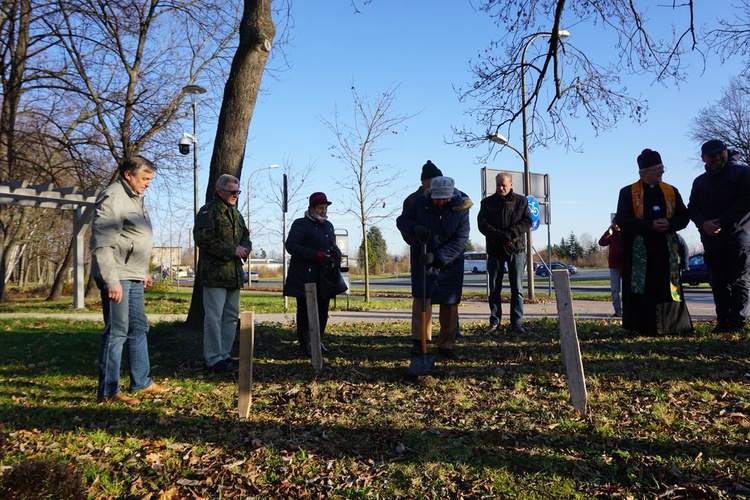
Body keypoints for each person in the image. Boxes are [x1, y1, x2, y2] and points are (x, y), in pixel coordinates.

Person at [91, 156, 168, 405]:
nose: (148, 184)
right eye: (145, 179)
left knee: (139, 328)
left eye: (150, 180)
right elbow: (102, 243)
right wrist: (111, 280)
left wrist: (143, 271)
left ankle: (141, 382)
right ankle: (109, 391)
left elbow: (134, 239)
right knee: (117, 331)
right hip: (118, 275)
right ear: (128, 175)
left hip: (133, 275)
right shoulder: (113, 196)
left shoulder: (136, 198)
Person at [615, 148, 693, 335]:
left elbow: (684, 217)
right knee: (641, 289)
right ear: (644, 172)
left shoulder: (671, 191)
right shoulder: (627, 192)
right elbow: (622, 220)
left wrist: (669, 223)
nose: (662, 171)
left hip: (666, 251)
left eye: (662, 167)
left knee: (666, 287)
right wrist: (649, 226)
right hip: (639, 252)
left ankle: (672, 326)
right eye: (658, 168)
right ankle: (641, 326)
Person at [396, 176, 472, 360]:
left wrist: (437, 257)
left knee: (449, 303)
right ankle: (419, 340)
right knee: (421, 299)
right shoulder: (420, 202)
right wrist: (415, 227)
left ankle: (446, 345)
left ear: (451, 195)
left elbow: (460, 240)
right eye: (436, 198)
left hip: (449, 263)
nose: (439, 202)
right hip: (422, 258)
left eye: (443, 198)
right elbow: (402, 220)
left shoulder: (461, 207)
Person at [688, 139, 750, 333]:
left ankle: (737, 324)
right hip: (711, 239)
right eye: (710, 155)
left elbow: (745, 202)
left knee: (739, 280)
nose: (715, 158)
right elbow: (693, 207)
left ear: (726, 152)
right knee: (718, 281)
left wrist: (720, 222)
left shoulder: (742, 173)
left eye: (719, 153)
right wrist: (703, 224)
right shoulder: (699, 181)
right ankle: (722, 321)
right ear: (703, 158)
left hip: (738, 235)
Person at [194, 174, 252, 373]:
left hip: (233, 275)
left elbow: (246, 236)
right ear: (220, 191)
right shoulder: (208, 211)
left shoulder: (236, 214)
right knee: (213, 317)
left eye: (238, 191)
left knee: (230, 316)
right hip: (215, 275)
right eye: (232, 192)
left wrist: (244, 248)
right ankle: (212, 358)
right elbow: (203, 239)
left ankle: (225, 355)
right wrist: (231, 250)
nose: (236, 195)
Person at [284, 192, 346, 357]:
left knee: (323, 310)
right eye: (320, 208)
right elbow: (291, 246)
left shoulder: (329, 226)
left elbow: (333, 246)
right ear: (311, 208)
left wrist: (336, 255)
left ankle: (318, 340)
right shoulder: (301, 224)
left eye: (325, 208)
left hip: (325, 277)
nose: (323, 211)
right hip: (305, 277)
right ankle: (304, 344)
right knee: (304, 311)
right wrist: (314, 255)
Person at [477, 172, 532, 334]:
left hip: (516, 250)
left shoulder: (521, 201)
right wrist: (498, 236)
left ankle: (516, 323)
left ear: (511, 184)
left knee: (517, 289)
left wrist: (509, 234)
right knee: (494, 289)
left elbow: (527, 222)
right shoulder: (487, 203)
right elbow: (482, 224)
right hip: (495, 250)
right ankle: (495, 322)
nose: (501, 188)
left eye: (504, 185)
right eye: (498, 185)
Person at [598, 220, 623, 317]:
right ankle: (618, 311)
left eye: (618, 224)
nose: (616, 226)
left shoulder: (626, 233)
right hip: (614, 266)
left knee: (627, 290)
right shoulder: (611, 234)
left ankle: (628, 311)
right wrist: (608, 232)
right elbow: (602, 242)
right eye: (615, 224)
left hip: (626, 265)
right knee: (615, 290)